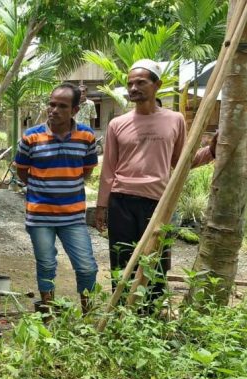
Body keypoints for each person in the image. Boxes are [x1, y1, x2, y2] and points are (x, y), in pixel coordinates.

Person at [95, 59, 186, 301]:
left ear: (158, 84)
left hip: (158, 202)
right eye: (130, 83)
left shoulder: (175, 120)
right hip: (121, 201)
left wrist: (210, 152)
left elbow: (180, 160)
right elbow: (108, 169)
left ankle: (151, 314)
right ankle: (121, 309)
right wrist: (101, 206)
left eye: (140, 82)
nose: (133, 88)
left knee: (156, 261)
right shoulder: (117, 124)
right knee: (122, 258)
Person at [15, 83, 99, 316]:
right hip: (40, 215)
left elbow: (87, 170)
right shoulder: (31, 137)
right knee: (47, 265)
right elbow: (22, 171)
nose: (54, 110)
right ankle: (49, 314)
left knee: (86, 267)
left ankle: (88, 315)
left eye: (62, 106)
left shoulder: (86, 136)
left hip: (73, 216)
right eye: (51, 104)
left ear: (74, 110)